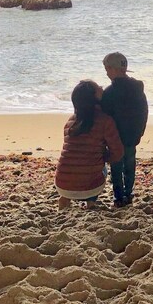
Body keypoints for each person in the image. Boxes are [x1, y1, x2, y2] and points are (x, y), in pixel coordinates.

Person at [54, 80, 124, 210]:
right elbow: (118, 152)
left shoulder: (71, 121)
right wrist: (104, 157)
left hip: (61, 184)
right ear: (95, 98)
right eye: (99, 88)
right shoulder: (105, 121)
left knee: (75, 160)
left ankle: (64, 199)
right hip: (90, 188)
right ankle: (91, 201)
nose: (102, 88)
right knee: (99, 166)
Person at [99, 52, 148, 208]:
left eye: (107, 69)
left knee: (116, 166)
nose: (106, 73)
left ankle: (118, 196)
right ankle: (128, 193)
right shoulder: (137, 89)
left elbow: (104, 115)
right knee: (129, 165)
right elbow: (143, 112)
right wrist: (140, 131)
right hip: (132, 134)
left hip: (115, 136)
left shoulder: (109, 92)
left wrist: (104, 137)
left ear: (113, 69)